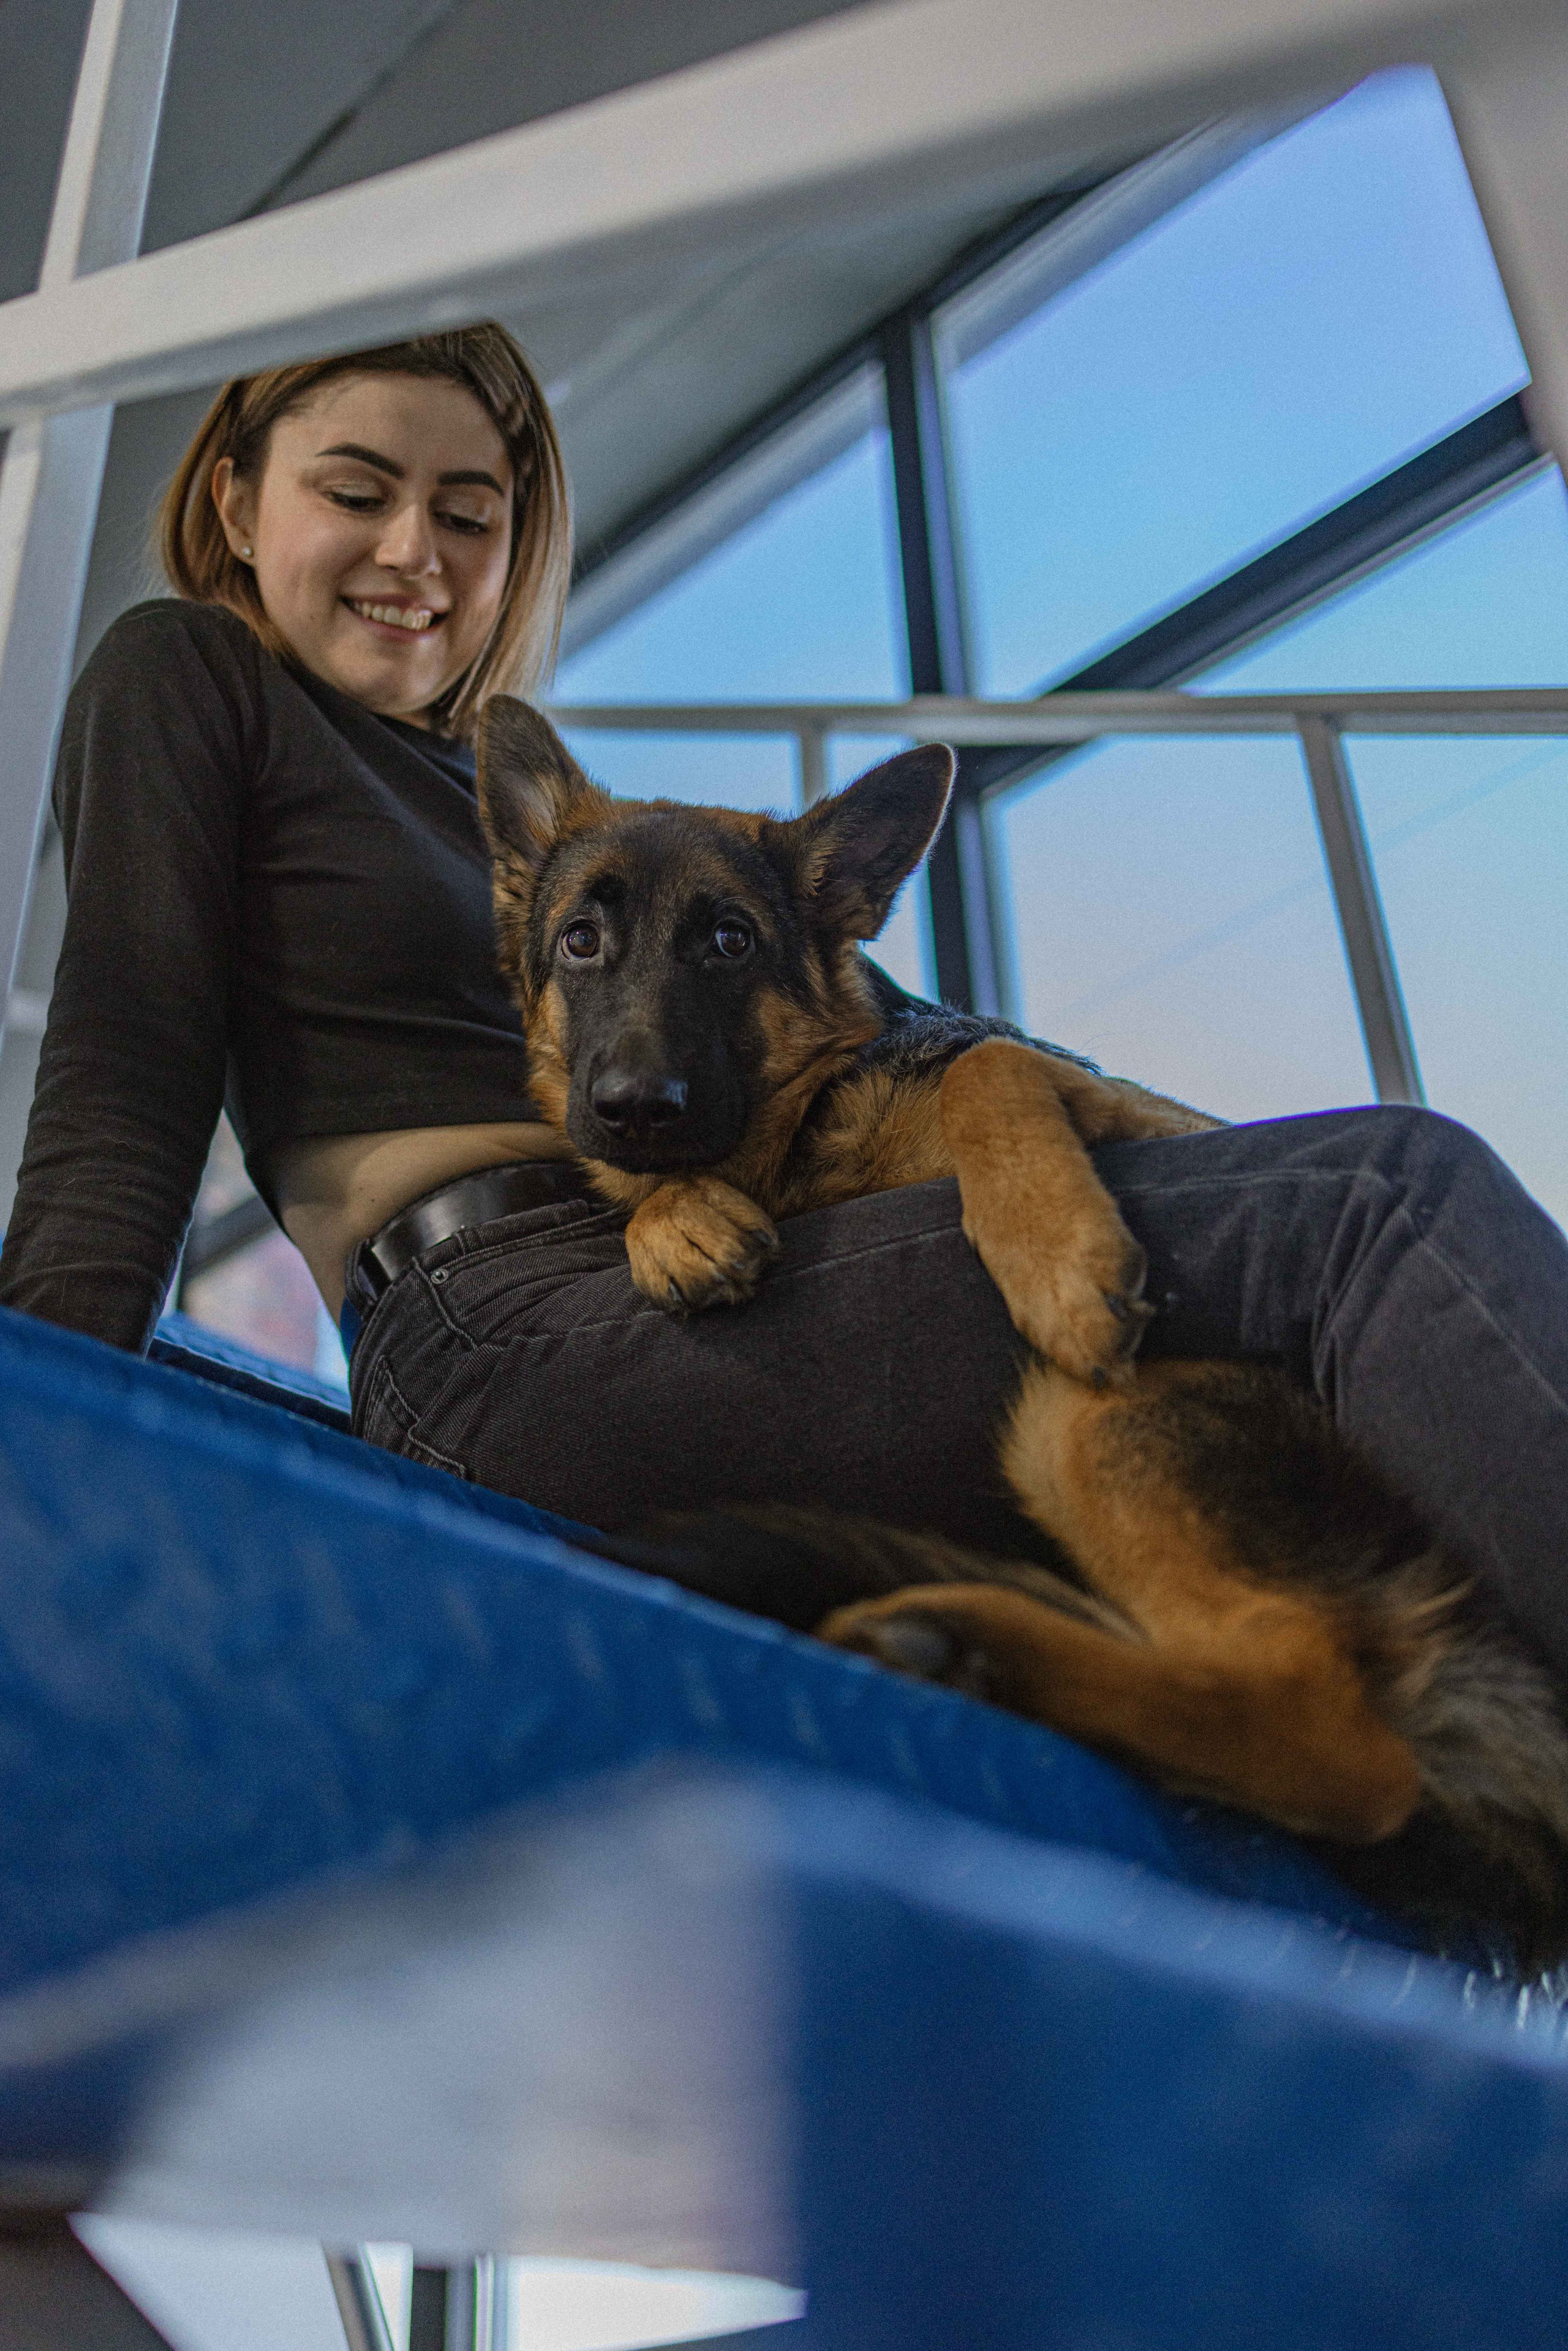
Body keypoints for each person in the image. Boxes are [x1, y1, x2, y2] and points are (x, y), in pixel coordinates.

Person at [2, 323, 1566, 1697]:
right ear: (236, 503)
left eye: (468, 514)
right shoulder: (191, 671)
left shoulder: (560, 820)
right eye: (355, 492)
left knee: (1305, 1275)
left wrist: (1171, 1145)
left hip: (744, 1244)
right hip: (505, 1322)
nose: (413, 549)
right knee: (1375, 1200)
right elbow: (125, 1071)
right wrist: (31, 1449)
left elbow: (886, 1033)